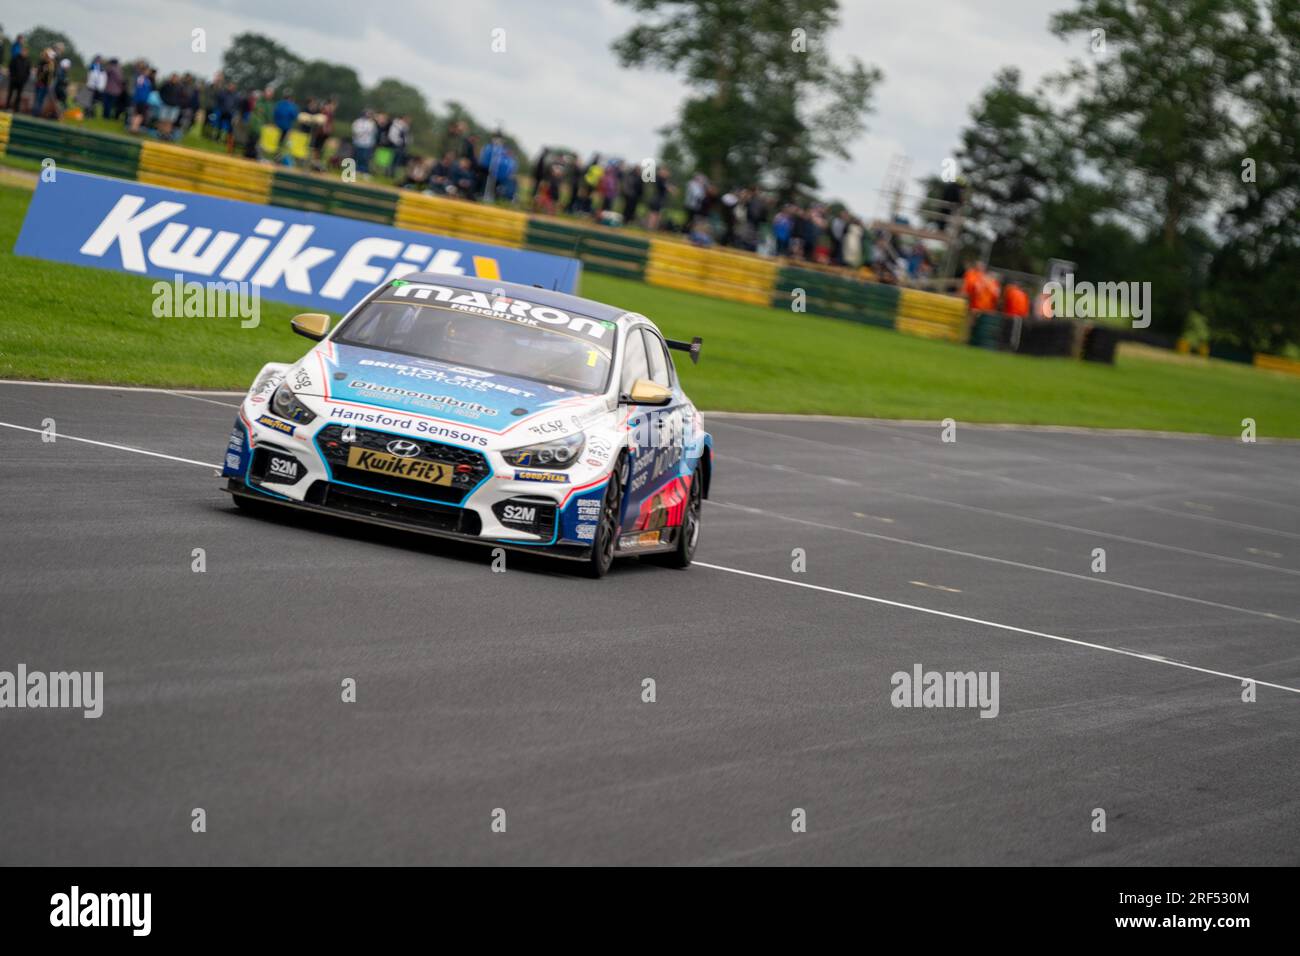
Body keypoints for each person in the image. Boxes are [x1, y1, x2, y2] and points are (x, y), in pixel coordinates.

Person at [351, 109, 378, 175]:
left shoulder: (372, 123)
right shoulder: (357, 122)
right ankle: (354, 170)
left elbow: (374, 133)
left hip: (367, 143)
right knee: (357, 157)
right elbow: (355, 131)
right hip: (358, 142)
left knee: (365, 158)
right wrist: (362, 133)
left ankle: (364, 171)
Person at [5, 39, 29, 112]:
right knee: (10, 94)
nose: (24, 53)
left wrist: (25, 79)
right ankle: (7, 107)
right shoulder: (15, 58)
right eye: (23, 51)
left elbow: (28, 72)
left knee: (18, 96)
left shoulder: (28, 61)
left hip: (21, 81)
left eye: (25, 51)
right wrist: (12, 76)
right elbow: (10, 67)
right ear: (21, 51)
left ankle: (16, 109)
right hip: (13, 79)